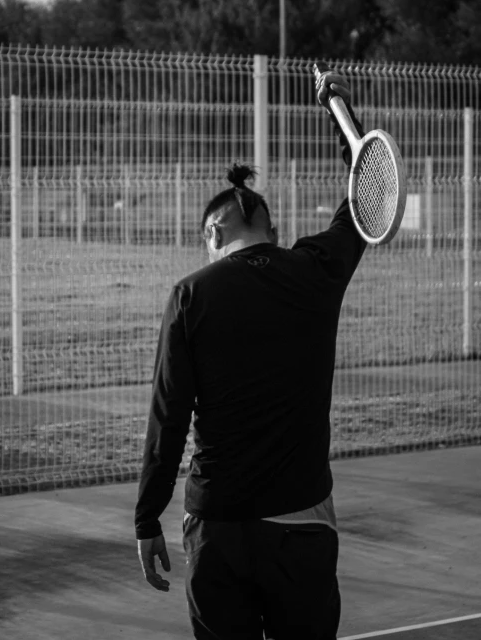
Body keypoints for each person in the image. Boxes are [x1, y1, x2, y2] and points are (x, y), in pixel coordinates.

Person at [135, 70, 367, 639]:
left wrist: (147, 518)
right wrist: (341, 114)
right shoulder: (316, 270)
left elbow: (169, 415)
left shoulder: (192, 294)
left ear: (215, 231)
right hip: (304, 523)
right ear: (271, 227)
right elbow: (369, 191)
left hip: (220, 526)